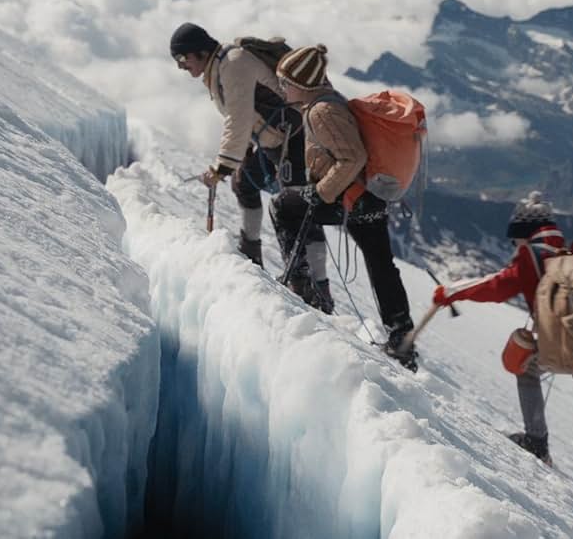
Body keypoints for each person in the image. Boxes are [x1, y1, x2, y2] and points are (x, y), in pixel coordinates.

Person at [431, 192, 573, 523]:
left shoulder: (530, 257)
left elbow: (496, 286)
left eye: (515, 239)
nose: (514, 246)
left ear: (524, 231)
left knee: (525, 367)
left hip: (562, 349)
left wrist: (451, 292)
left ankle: (536, 442)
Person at [268, 43, 419, 370]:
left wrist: (320, 191)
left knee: (283, 207)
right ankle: (401, 337)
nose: (282, 89)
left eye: (285, 82)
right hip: (369, 196)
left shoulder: (321, 111)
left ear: (302, 83)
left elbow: (353, 157)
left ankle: (304, 287)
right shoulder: (326, 101)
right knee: (381, 264)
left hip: (352, 198)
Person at [169, 23, 328, 303]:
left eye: (183, 60)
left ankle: (312, 287)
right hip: (276, 139)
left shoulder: (233, 64)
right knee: (245, 183)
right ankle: (251, 254)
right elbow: (250, 113)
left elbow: (238, 118)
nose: (182, 68)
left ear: (200, 52)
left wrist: (222, 167)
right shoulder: (221, 67)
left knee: (298, 211)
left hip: (295, 138)